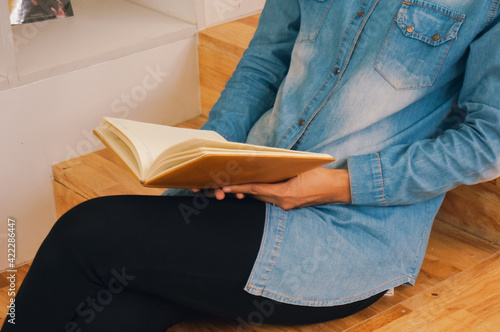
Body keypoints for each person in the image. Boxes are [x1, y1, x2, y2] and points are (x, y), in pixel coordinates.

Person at [2, 0, 499, 331]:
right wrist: (212, 149)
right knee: (102, 311)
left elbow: (488, 139)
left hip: (346, 230)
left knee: (83, 233)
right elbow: (266, 60)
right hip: (246, 183)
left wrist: (340, 184)